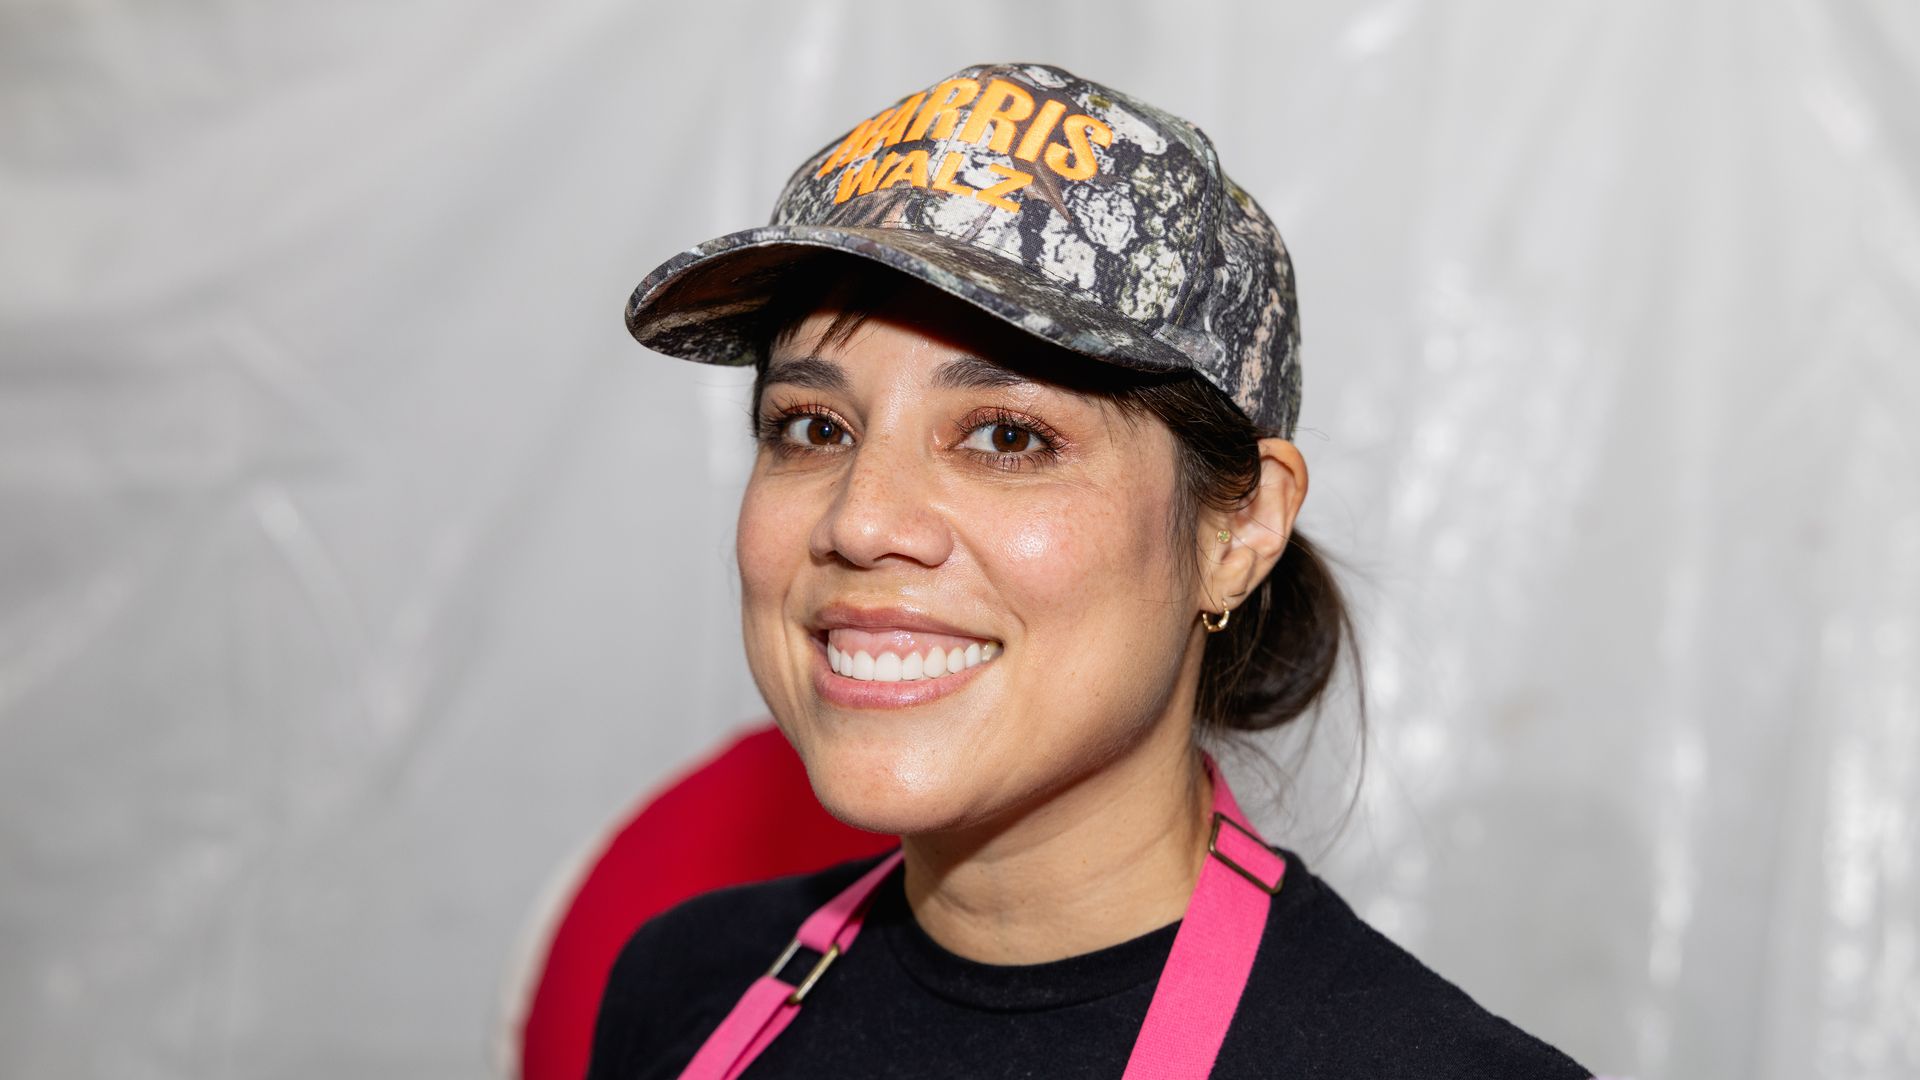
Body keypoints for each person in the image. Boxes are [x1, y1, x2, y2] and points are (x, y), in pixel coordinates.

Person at [589, 62, 1589, 1079]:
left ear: (1236, 529)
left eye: (1008, 438)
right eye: (812, 426)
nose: (861, 518)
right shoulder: (684, 982)